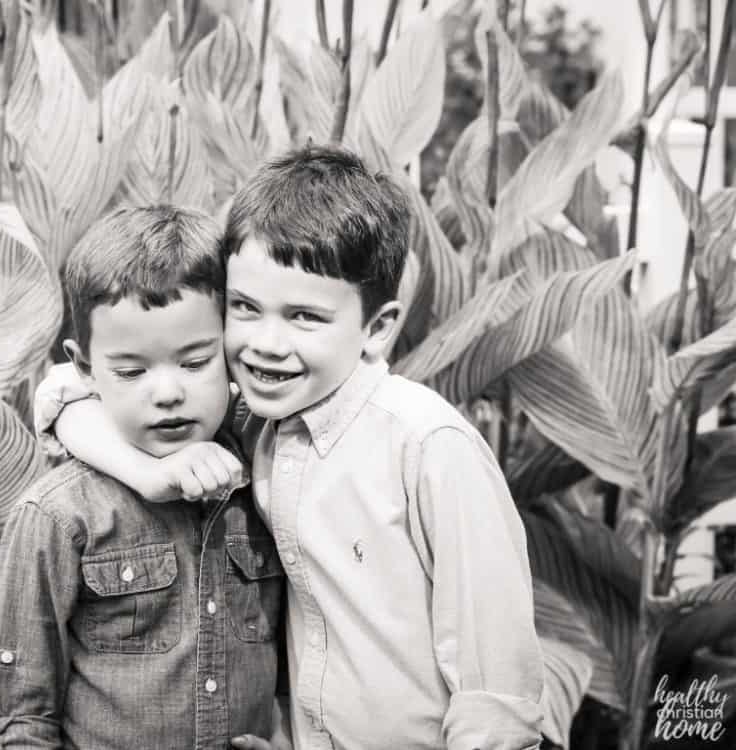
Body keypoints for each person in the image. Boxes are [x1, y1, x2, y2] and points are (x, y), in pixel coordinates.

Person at [38, 145, 544, 750]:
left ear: (377, 328)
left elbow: (496, 698)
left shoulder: (428, 447)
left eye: (304, 317)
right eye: (246, 308)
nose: (266, 344)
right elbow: (65, 389)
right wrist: (149, 475)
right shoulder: (256, 420)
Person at [0, 205, 291, 749]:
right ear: (85, 368)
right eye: (130, 372)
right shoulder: (60, 517)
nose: (166, 393)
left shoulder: (265, 475)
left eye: (196, 362)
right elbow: (18, 714)